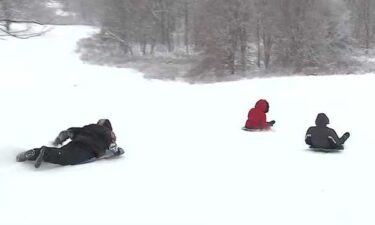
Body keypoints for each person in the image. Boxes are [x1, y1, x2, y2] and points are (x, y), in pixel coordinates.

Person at [16, 119, 124, 168]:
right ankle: (45, 152)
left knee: (61, 152)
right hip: (89, 149)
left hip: (77, 142)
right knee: (66, 158)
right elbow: (112, 145)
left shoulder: (89, 127)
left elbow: (71, 131)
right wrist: (118, 152)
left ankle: (33, 153)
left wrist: (61, 138)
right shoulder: (108, 132)